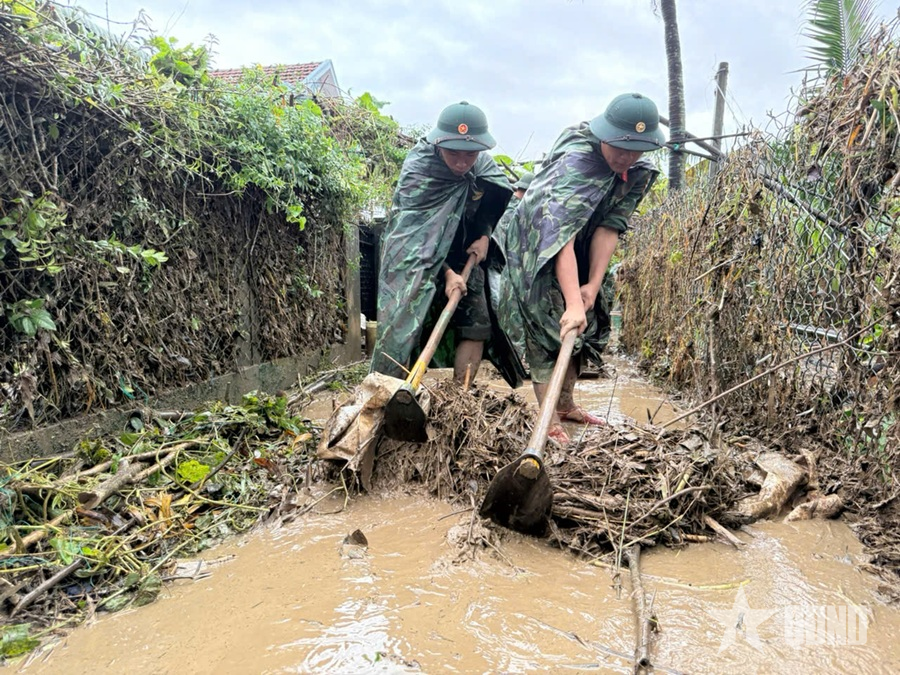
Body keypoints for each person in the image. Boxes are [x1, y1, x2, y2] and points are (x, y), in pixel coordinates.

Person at [493, 93, 664, 443]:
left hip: (586, 237)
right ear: (604, 135)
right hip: (539, 240)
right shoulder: (577, 162)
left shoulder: (638, 171)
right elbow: (561, 235)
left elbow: (610, 225)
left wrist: (591, 285)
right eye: (619, 147)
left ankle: (566, 404)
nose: (626, 157)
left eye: (636, 150)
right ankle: (547, 416)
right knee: (549, 326)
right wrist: (571, 300)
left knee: (587, 324)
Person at [370, 101, 519, 386]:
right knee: (404, 331)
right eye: (453, 153)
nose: (462, 163)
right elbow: (414, 237)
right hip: (416, 261)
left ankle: (460, 397)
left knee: (477, 324)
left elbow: (494, 201)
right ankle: (393, 392)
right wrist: (447, 273)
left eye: (470, 155)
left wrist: (485, 236)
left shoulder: (483, 167)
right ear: (438, 144)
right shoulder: (420, 170)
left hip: (466, 254)